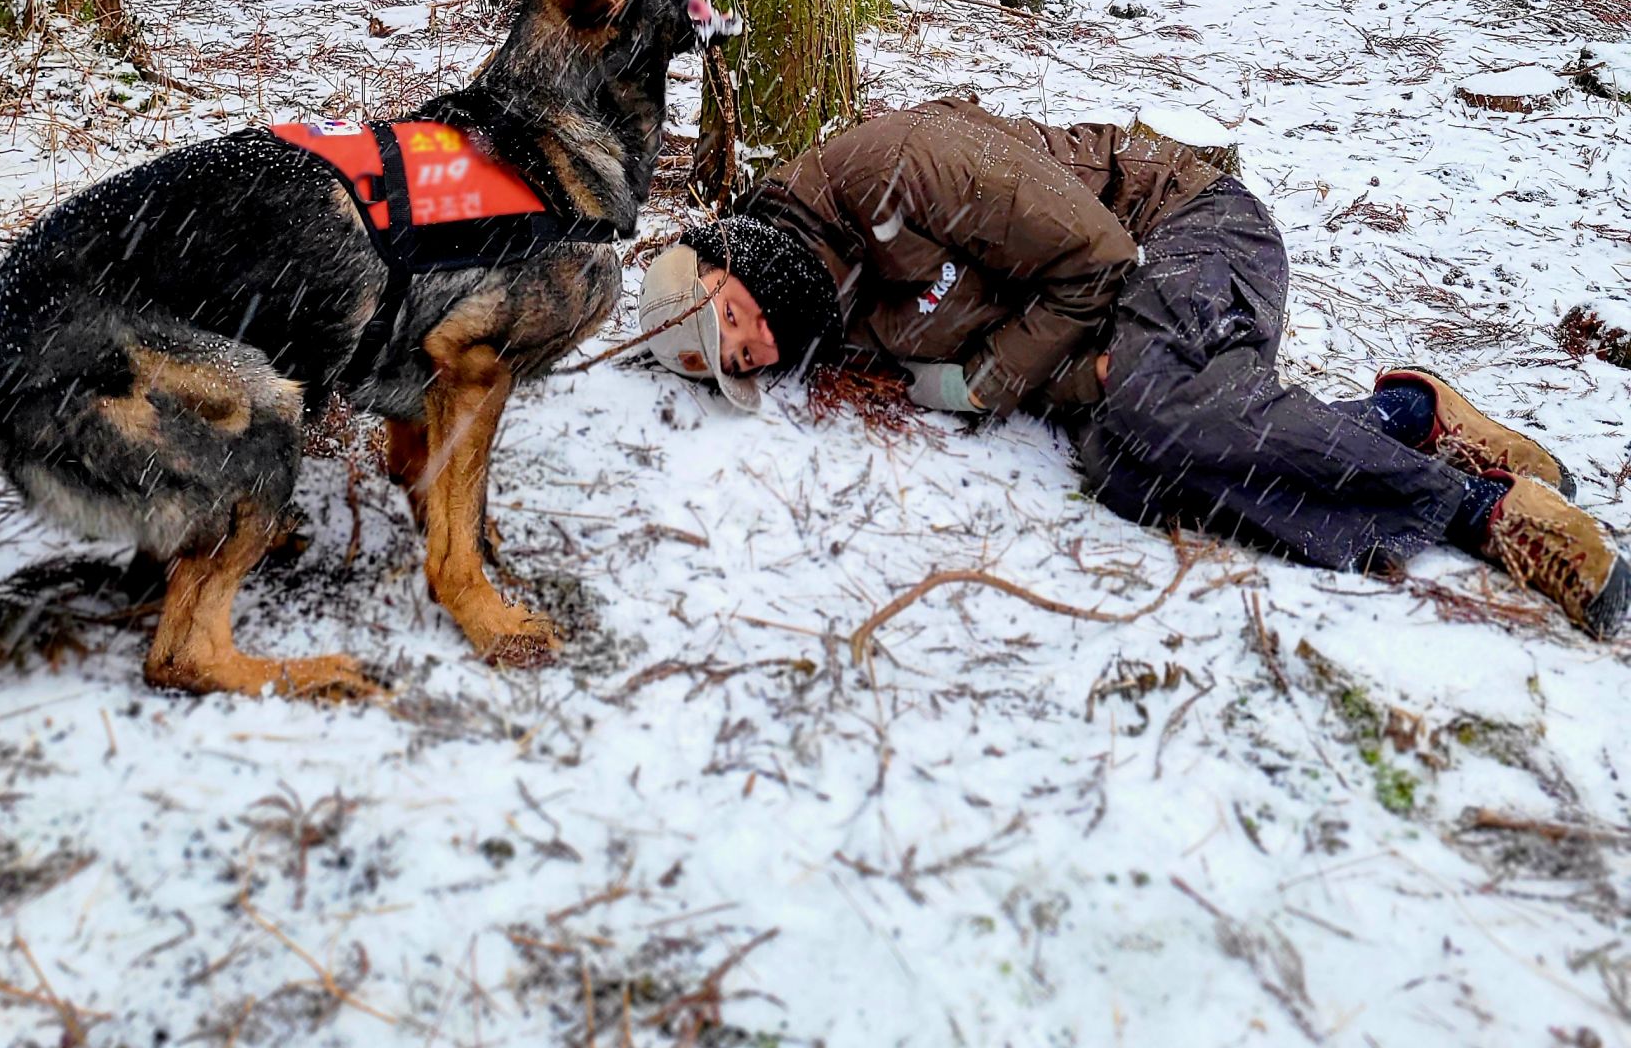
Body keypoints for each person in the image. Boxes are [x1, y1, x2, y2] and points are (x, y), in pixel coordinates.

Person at [638, 97, 1628, 639]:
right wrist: (1079, 376)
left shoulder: (896, 163)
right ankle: (1399, 424)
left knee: (1157, 408)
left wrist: (985, 383)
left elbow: (1102, 256)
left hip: (1185, 228)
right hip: (1127, 322)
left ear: (731, 255)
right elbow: (1048, 352)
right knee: (1124, 464)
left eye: (737, 317)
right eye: (740, 361)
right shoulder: (832, 303)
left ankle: (1478, 510)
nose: (761, 344)